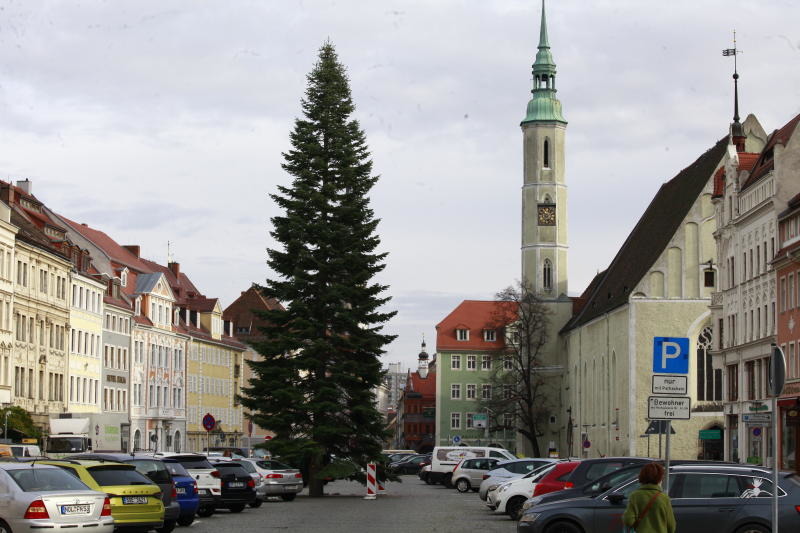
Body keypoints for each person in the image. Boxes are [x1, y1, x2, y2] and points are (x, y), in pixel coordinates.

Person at [622, 462, 676, 533]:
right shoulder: (664, 498)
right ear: (659, 479)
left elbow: (628, 520)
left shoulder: (635, 496)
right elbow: (671, 526)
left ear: (642, 476)